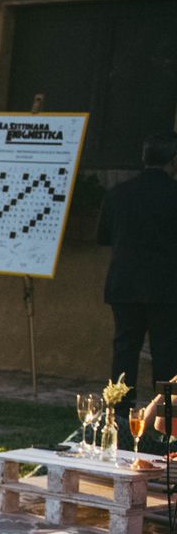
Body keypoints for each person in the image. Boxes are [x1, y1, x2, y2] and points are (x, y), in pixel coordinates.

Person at [97, 132, 177, 443]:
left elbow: (103, 236)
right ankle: (166, 422)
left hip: (125, 285)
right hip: (166, 288)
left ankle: (117, 413)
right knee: (166, 355)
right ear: (173, 161)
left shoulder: (118, 194)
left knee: (124, 350)